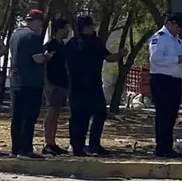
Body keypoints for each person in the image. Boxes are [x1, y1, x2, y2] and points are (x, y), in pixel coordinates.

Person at [66, 15, 122, 157]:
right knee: (99, 113)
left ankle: (77, 147)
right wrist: (121, 54)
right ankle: (94, 144)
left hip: (75, 86)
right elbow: (109, 58)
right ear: (87, 27)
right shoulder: (95, 42)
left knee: (78, 117)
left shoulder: (71, 43)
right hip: (93, 86)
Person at [8, 9, 52, 160]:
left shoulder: (15, 35)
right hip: (31, 82)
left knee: (17, 116)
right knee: (29, 116)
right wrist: (47, 57)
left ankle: (15, 149)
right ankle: (25, 150)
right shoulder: (33, 37)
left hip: (16, 81)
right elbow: (38, 59)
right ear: (38, 21)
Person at [148, 13, 182, 158]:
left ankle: (168, 147)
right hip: (162, 80)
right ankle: (161, 148)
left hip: (175, 81)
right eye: (177, 26)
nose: (179, 30)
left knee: (172, 115)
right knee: (163, 114)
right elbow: (155, 59)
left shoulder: (177, 41)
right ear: (170, 23)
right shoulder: (159, 38)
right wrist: (177, 60)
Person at [42, 18, 71, 156]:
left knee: (57, 114)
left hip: (62, 82)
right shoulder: (50, 45)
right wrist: (48, 84)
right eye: (66, 28)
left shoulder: (63, 46)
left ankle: (53, 143)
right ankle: (47, 143)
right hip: (52, 83)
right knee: (51, 113)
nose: (68, 31)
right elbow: (45, 65)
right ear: (60, 29)